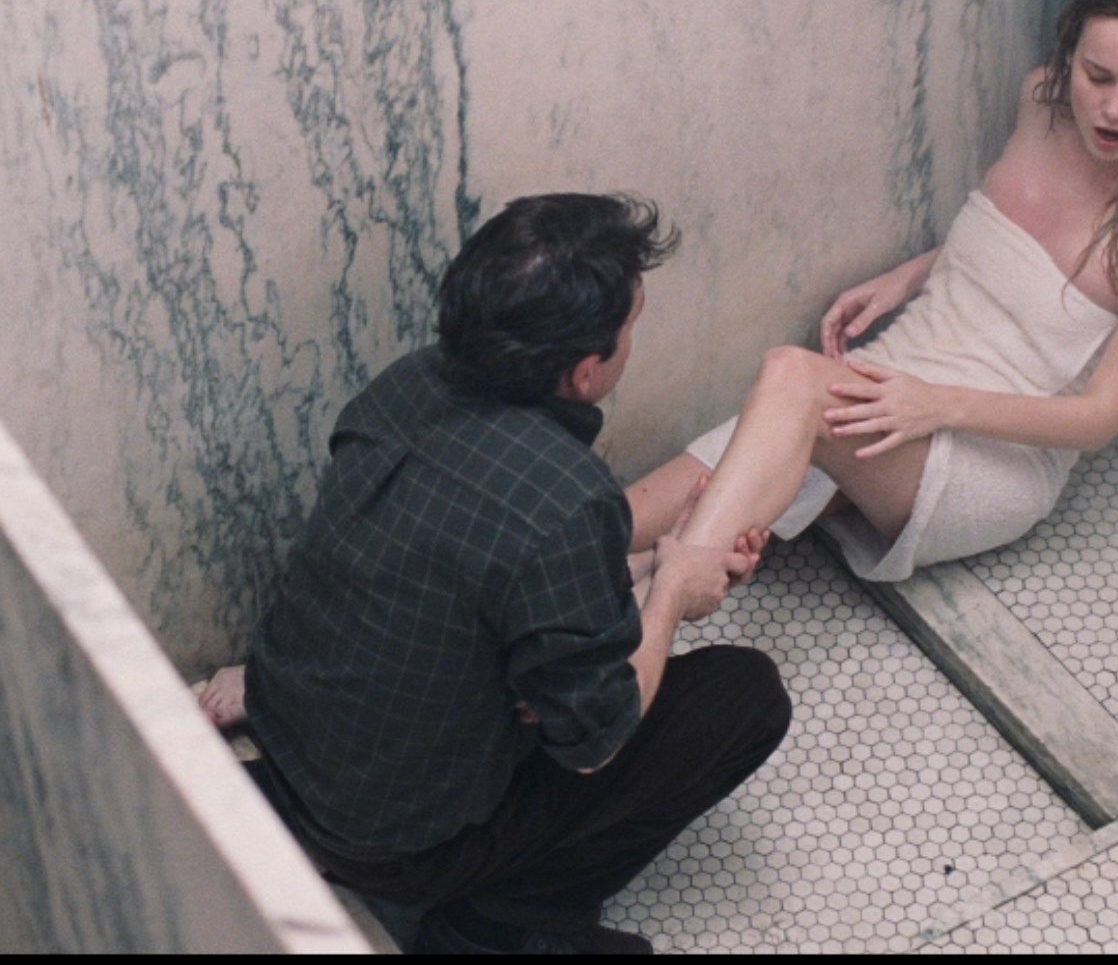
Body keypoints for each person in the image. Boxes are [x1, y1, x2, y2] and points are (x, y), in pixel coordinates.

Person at [200, 193, 792, 955]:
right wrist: (674, 592)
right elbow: (596, 739)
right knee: (744, 699)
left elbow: (486, 574)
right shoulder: (565, 498)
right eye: (631, 327)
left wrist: (664, 556)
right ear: (586, 372)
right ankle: (501, 920)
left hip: (292, 742)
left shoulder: (404, 386)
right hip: (395, 844)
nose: (632, 343)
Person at [626, 0, 1118, 579]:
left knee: (791, 377)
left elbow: (1100, 417)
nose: (1113, 108)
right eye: (1097, 75)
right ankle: (629, 589)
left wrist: (937, 405)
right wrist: (910, 276)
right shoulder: (1042, 103)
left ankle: (672, 595)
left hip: (997, 454)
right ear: (1069, 50)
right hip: (901, 375)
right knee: (625, 519)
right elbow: (1023, 247)